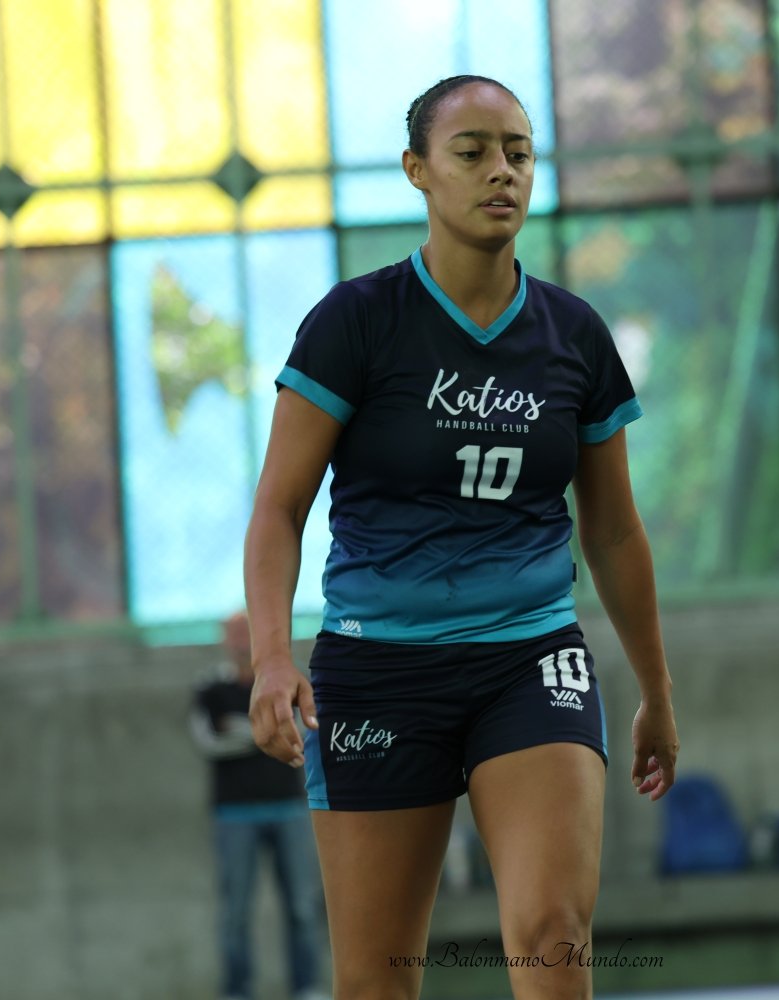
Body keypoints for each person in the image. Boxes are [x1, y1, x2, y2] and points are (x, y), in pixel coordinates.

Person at [242, 74, 680, 999]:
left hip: (531, 659)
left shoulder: (575, 335)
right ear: (417, 170)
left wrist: (656, 691)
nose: (501, 172)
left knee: (553, 934)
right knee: (376, 980)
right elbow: (279, 508)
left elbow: (613, 532)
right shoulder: (356, 322)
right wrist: (273, 658)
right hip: (377, 670)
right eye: (472, 152)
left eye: (518, 153)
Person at [190, 611, 328, 1000]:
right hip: (234, 814)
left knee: (302, 906)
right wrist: (265, 732)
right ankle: (237, 990)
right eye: (233, 634)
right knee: (235, 910)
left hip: (289, 808)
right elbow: (208, 742)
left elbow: (299, 731)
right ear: (223, 639)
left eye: (245, 632)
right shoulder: (209, 688)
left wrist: (238, 727)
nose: (240, 641)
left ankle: (307, 987)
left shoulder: (287, 683)